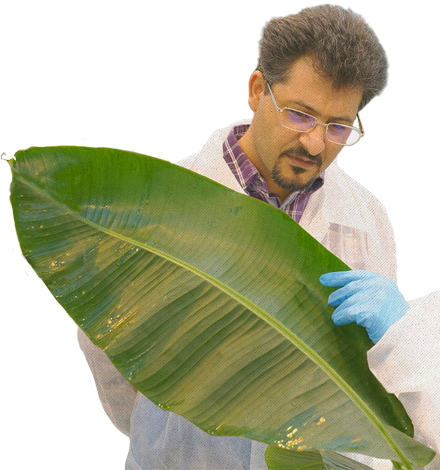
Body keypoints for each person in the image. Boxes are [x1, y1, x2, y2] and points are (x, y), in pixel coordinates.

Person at [78, 6, 438, 469]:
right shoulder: (160, 208)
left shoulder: (366, 219)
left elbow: (371, 377)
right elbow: (108, 351)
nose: (314, 143)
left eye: (338, 126)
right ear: (256, 91)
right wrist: (165, 429)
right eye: (300, 115)